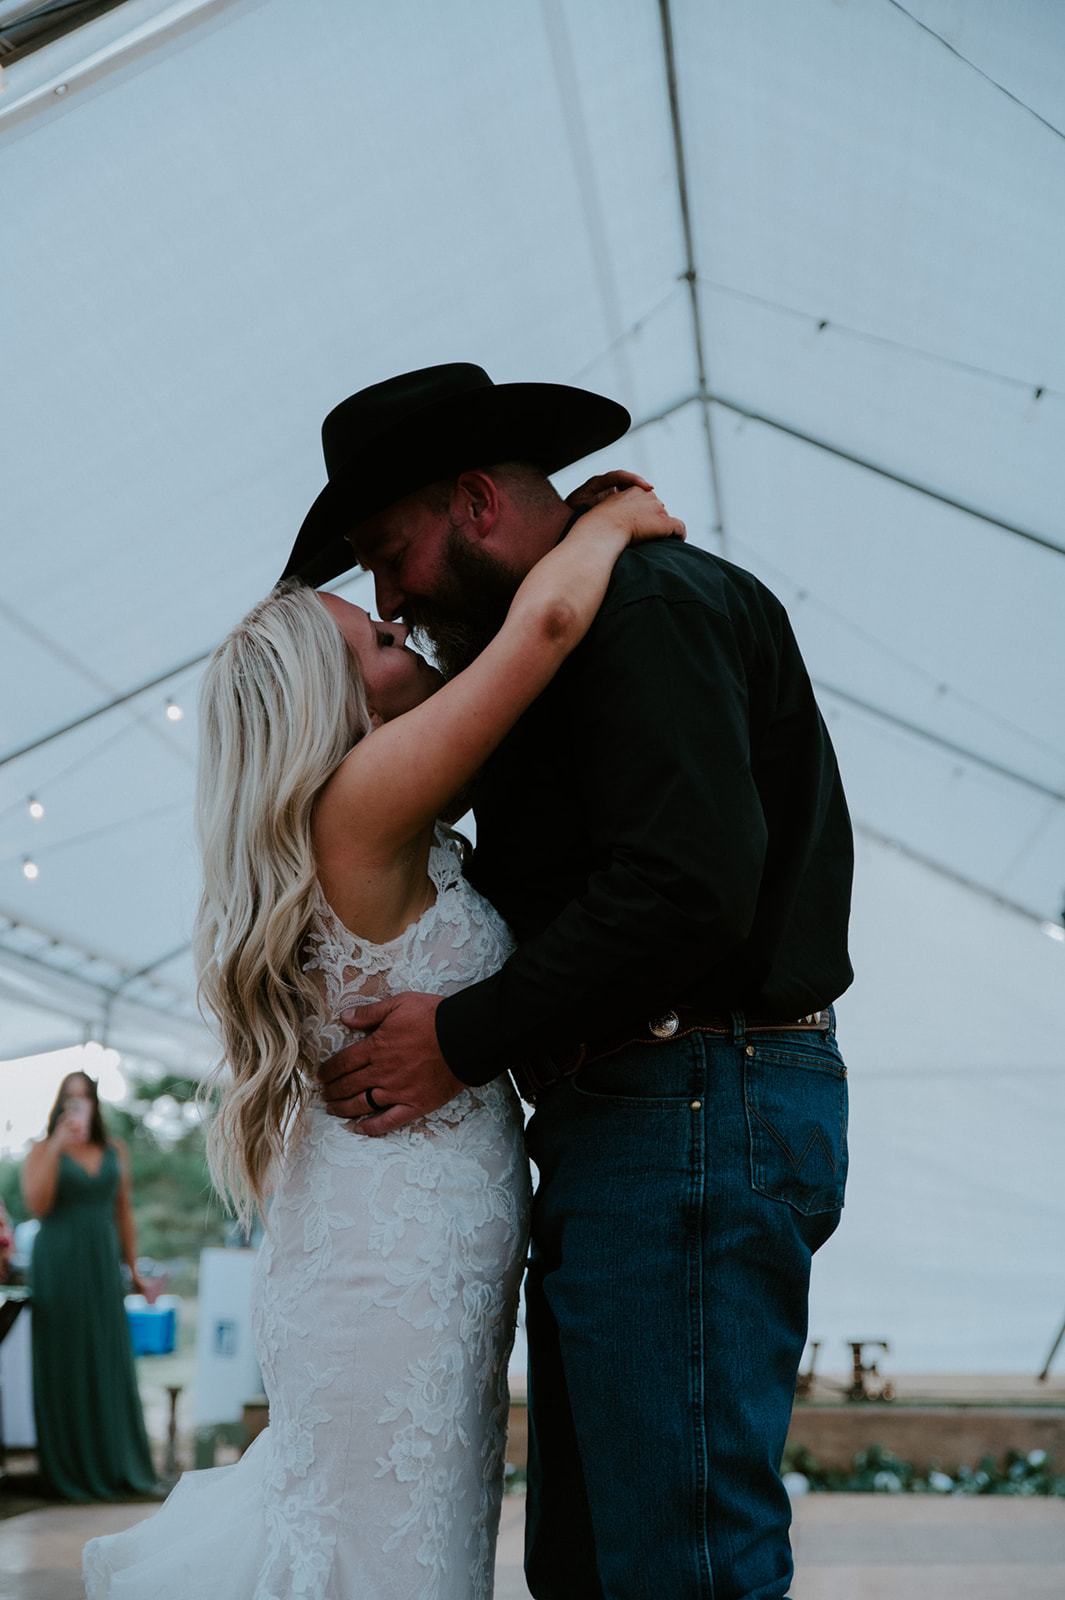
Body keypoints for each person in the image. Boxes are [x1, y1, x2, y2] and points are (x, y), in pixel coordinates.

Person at [297, 363, 854, 1600]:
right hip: (646, 1117)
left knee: (680, 1564)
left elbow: (685, 886)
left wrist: (467, 1034)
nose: (388, 597)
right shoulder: (560, 634)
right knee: (598, 1568)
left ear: (479, 503)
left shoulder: (645, 611)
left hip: (695, 1095)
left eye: (392, 556)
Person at [82, 464, 682, 1598]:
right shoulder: (360, 803)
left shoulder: (374, 820)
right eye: (382, 645)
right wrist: (610, 525)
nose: (408, 636)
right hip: (387, 1275)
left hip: (407, 1270)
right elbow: (548, 625)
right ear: (339, 704)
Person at [21, 1071, 157, 1501]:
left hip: (101, 1266)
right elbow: (37, 1206)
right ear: (59, 1105)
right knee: (65, 1361)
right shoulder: (42, 1150)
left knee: (105, 1358)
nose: (76, 1107)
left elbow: (124, 1215)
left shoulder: (114, 1149)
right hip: (58, 1264)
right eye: (69, 1099)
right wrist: (58, 1144)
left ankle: (116, 1465)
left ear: (96, 1104)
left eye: (84, 1099)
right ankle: (69, 1471)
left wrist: (134, 1270)